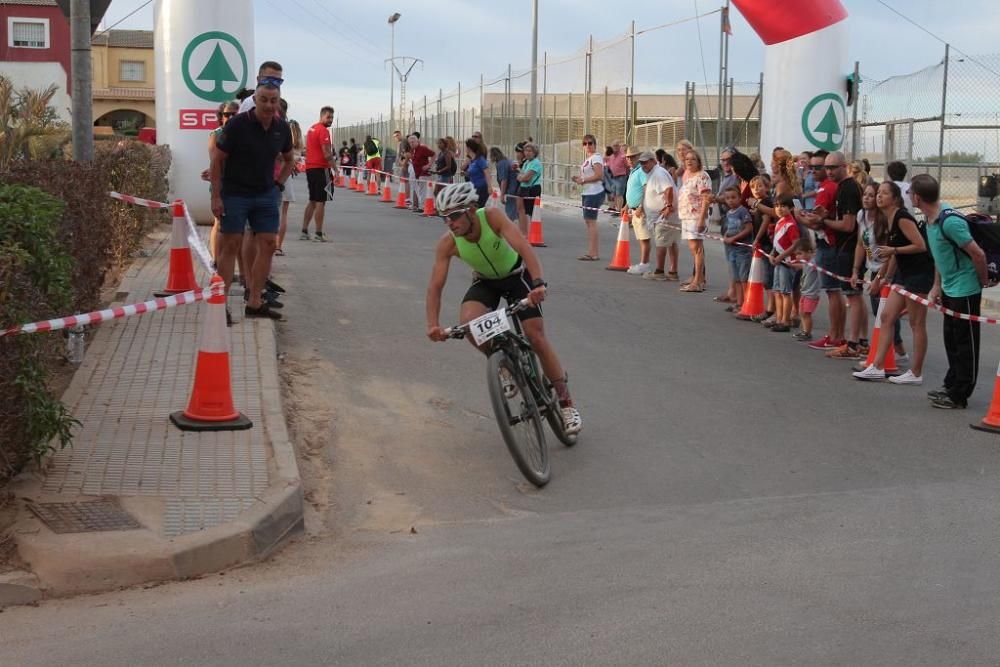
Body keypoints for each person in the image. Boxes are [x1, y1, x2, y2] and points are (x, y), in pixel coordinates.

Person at [425, 182, 582, 434]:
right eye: (444, 218)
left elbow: (524, 247)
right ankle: (503, 365)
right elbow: (435, 286)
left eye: (454, 215)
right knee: (470, 325)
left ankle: (566, 403)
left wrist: (538, 283)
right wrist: (432, 325)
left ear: (470, 209)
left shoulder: (491, 217)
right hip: (486, 282)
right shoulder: (448, 243)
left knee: (536, 337)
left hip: (517, 276)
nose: (450, 223)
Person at [210, 79, 293, 321]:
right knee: (230, 245)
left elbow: (289, 159)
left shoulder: (281, 128)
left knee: (268, 243)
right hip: (235, 193)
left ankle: (255, 302)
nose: (268, 105)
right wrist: (216, 196)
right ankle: (219, 306)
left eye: (273, 101)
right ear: (255, 100)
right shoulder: (237, 125)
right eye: (264, 100)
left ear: (278, 103)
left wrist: (279, 185)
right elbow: (217, 161)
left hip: (266, 193)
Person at [914, 174, 989, 409]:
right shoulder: (930, 219)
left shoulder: (950, 221)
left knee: (965, 342)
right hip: (949, 287)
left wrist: (982, 281)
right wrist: (937, 286)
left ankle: (961, 393)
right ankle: (951, 383)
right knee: (951, 339)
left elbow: (978, 254)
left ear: (917, 197)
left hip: (965, 288)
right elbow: (940, 255)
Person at [853, 181, 935, 384]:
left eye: (884, 193)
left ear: (895, 198)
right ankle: (878, 366)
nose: (879, 196)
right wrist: (882, 279)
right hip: (903, 274)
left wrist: (894, 251)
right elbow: (892, 256)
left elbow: (920, 245)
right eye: (878, 193)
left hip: (918, 274)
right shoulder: (887, 218)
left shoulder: (901, 217)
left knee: (917, 323)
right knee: (887, 316)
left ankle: (916, 373)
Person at [803, 152, 861, 352]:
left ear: (844, 166)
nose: (824, 171)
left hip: (839, 246)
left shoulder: (837, 188)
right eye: (819, 167)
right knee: (847, 293)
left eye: (828, 167)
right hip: (840, 246)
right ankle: (851, 340)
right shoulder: (838, 187)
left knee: (843, 293)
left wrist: (813, 219)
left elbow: (847, 225)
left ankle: (844, 338)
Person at [851, 182, 908, 361]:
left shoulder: (885, 219)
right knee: (880, 312)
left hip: (889, 269)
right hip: (874, 268)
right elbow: (861, 244)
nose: (868, 198)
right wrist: (855, 270)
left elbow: (891, 253)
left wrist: (882, 278)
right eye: (865, 194)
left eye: (872, 195)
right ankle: (895, 350)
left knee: (885, 312)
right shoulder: (861, 215)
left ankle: (895, 351)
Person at [204, 100, 239, 264]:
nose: (230, 117)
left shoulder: (244, 132)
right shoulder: (216, 134)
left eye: (234, 114)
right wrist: (211, 173)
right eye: (227, 114)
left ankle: (241, 268)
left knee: (240, 228)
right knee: (218, 222)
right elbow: (215, 161)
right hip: (222, 184)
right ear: (221, 116)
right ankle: (215, 261)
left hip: (240, 185)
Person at [677, 149, 712, 292]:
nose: (689, 161)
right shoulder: (688, 175)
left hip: (696, 216)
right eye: (687, 159)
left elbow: (706, 198)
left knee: (696, 249)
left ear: (699, 161)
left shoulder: (702, 176)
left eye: (693, 159)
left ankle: (697, 281)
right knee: (694, 249)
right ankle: (699, 279)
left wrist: (701, 219)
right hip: (686, 216)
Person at [640, 151, 679, 281]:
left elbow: (668, 189)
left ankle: (659, 271)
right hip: (663, 216)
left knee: (661, 242)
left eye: (646, 162)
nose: (643, 165)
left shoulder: (658, 173)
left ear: (653, 161)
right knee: (670, 243)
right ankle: (673, 272)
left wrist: (668, 206)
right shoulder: (654, 173)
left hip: (663, 216)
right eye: (641, 163)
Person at [767, 193, 801, 332]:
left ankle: (785, 320)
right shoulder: (780, 222)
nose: (780, 209)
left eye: (783, 206)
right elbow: (777, 243)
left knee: (785, 292)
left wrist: (782, 256)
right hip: (778, 261)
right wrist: (772, 254)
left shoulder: (791, 224)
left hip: (787, 262)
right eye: (777, 206)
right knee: (777, 291)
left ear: (791, 208)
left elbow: (795, 244)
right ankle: (780, 318)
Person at [301, 105, 335, 242]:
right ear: (322, 116)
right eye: (328, 117)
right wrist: (336, 169)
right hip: (321, 168)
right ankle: (318, 233)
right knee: (321, 201)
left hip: (310, 168)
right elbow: (327, 153)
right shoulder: (323, 131)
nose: (330, 120)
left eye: (332, 117)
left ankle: (304, 231)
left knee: (313, 200)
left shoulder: (311, 129)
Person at [571, 133, 605, 261]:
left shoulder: (596, 158)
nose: (587, 146)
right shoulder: (588, 160)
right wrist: (579, 179)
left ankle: (593, 253)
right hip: (587, 192)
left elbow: (599, 175)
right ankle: (592, 252)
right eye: (585, 144)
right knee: (589, 222)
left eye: (590, 143)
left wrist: (583, 180)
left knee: (591, 222)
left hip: (594, 192)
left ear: (595, 145)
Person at [276, 98, 302, 255]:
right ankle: (278, 246)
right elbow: (295, 154)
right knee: (282, 213)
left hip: (276, 174)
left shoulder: (277, 127)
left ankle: (273, 246)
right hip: (285, 175)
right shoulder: (291, 128)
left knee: (274, 213)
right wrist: (290, 163)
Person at [720, 186, 752, 305]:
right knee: (736, 278)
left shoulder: (743, 211)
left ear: (739, 198)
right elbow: (730, 228)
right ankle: (739, 302)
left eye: (733, 197)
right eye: (728, 198)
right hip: (731, 249)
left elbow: (748, 228)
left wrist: (734, 238)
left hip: (742, 249)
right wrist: (727, 236)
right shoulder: (729, 213)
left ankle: (746, 304)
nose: (731, 200)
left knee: (744, 278)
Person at [622, 147, 650, 275]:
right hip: (633, 209)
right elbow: (633, 191)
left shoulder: (641, 172)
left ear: (638, 157)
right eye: (628, 157)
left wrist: (641, 206)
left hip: (640, 210)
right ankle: (643, 263)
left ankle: (645, 263)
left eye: (633, 157)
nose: (630, 159)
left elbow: (645, 188)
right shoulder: (633, 171)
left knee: (644, 238)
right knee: (640, 237)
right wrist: (627, 205)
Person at [515, 142, 543, 236]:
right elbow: (521, 175)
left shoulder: (536, 163)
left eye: (530, 151)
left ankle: (532, 234)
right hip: (523, 188)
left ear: (534, 152)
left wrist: (521, 177)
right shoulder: (527, 162)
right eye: (526, 150)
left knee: (531, 212)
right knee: (520, 210)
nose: (527, 153)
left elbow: (526, 178)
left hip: (532, 188)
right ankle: (523, 232)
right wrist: (520, 175)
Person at [794, 238, 819, 340]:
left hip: (811, 293)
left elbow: (817, 266)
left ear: (809, 252)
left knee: (806, 313)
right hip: (804, 292)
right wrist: (792, 265)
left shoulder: (813, 262)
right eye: (796, 254)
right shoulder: (806, 263)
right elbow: (802, 266)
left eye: (800, 253)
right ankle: (804, 331)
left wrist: (814, 254)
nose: (797, 256)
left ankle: (808, 333)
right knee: (802, 312)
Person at [408, 134, 436, 213]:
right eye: (410, 142)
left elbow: (433, 154)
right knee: (421, 190)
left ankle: (423, 207)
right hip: (418, 174)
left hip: (424, 174)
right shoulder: (413, 150)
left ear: (417, 141)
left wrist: (429, 165)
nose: (411, 144)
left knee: (423, 190)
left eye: (413, 142)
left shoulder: (422, 148)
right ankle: (424, 206)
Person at [464, 138, 491, 207]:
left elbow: (487, 173)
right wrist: (465, 173)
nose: (465, 149)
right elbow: (474, 173)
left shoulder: (480, 159)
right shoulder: (472, 160)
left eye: (466, 147)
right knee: (474, 209)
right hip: (474, 188)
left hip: (481, 188)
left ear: (469, 148)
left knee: (478, 209)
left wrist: (489, 187)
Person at [604, 141, 628, 215]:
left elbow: (627, 166)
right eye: (613, 146)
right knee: (614, 194)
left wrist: (626, 175)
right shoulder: (611, 157)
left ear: (619, 147)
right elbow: (607, 163)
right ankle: (615, 209)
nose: (615, 147)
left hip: (621, 177)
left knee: (619, 194)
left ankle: (618, 210)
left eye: (616, 146)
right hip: (613, 177)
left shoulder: (623, 156)